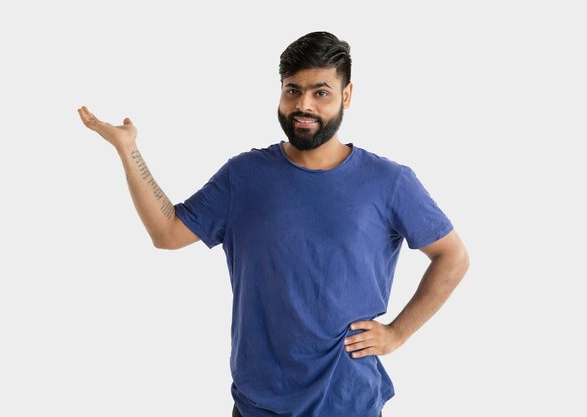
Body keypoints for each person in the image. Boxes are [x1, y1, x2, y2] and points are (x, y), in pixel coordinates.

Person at [77, 31, 469, 417]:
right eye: (292, 90)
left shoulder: (389, 181)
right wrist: (128, 150)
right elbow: (167, 232)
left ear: (346, 96)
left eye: (321, 92)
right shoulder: (245, 175)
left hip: (348, 404)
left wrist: (397, 333)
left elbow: (452, 256)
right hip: (257, 406)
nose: (304, 105)